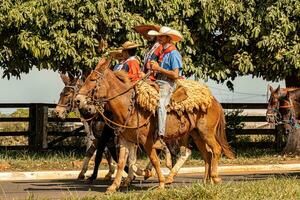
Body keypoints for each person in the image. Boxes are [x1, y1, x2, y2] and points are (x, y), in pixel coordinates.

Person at [147, 26, 183, 148]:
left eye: (161, 36)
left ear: (168, 38)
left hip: (168, 84)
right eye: (158, 36)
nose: (159, 38)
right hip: (158, 81)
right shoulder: (161, 52)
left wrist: (159, 68)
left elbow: (176, 75)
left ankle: (160, 136)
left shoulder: (173, 53)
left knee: (160, 104)